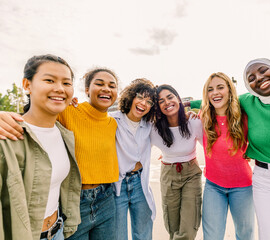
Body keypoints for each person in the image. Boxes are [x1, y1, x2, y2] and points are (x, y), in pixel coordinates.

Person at [189, 59, 270, 240]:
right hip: (244, 182)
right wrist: (185, 106)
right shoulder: (222, 110)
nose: (259, 78)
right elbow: (203, 102)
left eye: (220, 87)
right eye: (251, 77)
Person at [0, 67, 120, 240]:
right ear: (87, 89)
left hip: (107, 198)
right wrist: (3, 116)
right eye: (99, 84)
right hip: (76, 200)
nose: (106, 89)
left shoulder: (113, 123)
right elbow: (36, 118)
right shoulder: (68, 111)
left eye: (112, 86)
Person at [0, 54, 82, 240]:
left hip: (58, 230)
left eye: (67, 83)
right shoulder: (8, 135)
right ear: (27, 85)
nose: (60, 89)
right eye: (49, 80)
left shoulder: (65, 135)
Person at [200, 72, 254, 240]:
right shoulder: (203, 117)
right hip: (213, 186)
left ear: (230, 91)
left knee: (245, 234)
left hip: (243, 186)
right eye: (210, 89)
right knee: (212, 236)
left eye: (220, 87)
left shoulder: (244, 117)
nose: (215, 92)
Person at [150, 84, 203, 240]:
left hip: (191, 174)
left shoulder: (193, 122)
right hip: (168, 175)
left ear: (179, 99)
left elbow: (210, 146)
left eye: (170, 97)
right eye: (161, 101)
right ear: (158, 107)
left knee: (188, 227)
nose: (167, 102)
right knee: (172, 227)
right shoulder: (154, 129)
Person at [110, 78, 157, 240]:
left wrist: (191, 112)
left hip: (140, 183)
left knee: (143, 234)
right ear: (131, 96)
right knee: (118, 235)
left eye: (149, 101)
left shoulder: (150, 125)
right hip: (118, 185)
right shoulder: (112, 120)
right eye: (140, 97)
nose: (144, 103)